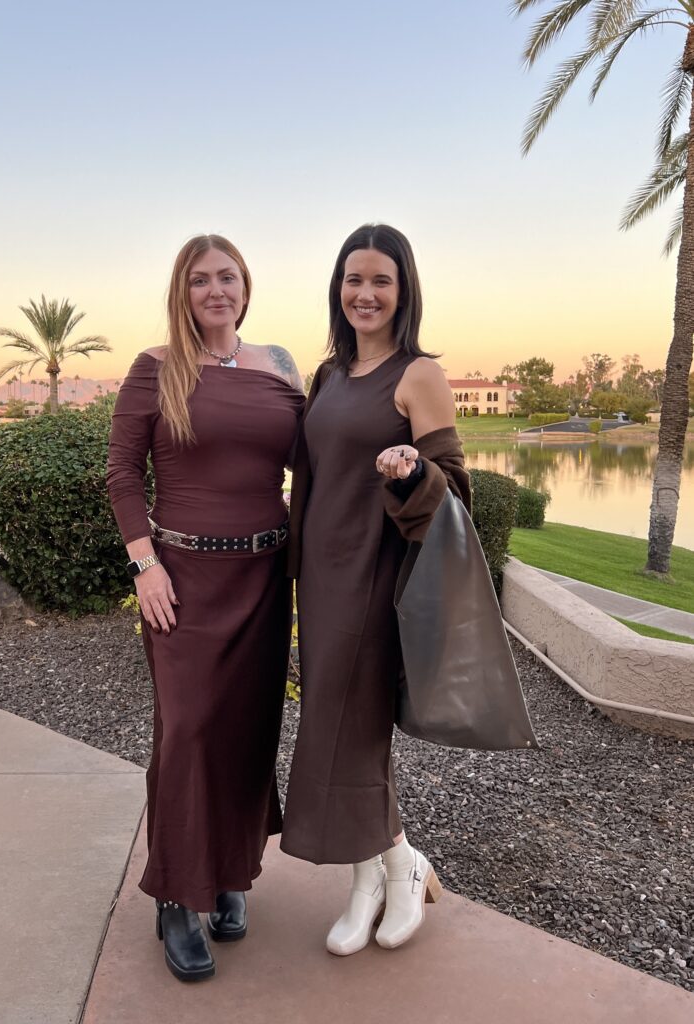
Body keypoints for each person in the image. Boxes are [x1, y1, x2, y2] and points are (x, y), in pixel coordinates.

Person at [106, 234, 303, 982]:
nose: (215, 290)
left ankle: (227, 873)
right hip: (181, 579)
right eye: (200, 280)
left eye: (227, 277)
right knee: (186, 732)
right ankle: (174, 900)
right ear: (182, 292)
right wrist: (145, 564)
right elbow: (123, 473)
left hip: (263, 577)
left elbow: (315, 460)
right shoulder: (155, 369)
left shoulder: (279, 366)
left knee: (245, 732)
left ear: (245, 287)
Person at [281, 223, 471, 955]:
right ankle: (392, 868)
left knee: (350, 729)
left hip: (375, 575)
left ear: (402, 290)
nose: (365, 293)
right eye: (353, 279)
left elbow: (454, 490)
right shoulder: (325, 378)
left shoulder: (417, 373)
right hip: (320, 578)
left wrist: (411, 469)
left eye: (380, 281)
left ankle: (379, 879)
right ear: (338, 287)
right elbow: (310, 475)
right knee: (336, 723)